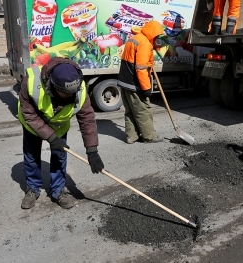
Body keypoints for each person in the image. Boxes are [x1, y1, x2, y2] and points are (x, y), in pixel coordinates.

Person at [18, 57, 104, 209]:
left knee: (59, 157)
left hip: (59, 126)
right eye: (66, 94)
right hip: (33, 125)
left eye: (73, 93)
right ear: (51, 85)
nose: (72, 97)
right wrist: (50, 137)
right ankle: (33, 188)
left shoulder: (79, 87)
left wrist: (92, 150)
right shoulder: (31, 81)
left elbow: (87, 119)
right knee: (31, 157)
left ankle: (58, 190)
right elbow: (29, 114)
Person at [117, 20, 165, 144]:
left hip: (124, 80)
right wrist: (146, 88)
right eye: (156, 36)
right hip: (135, 82)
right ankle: (149, 136)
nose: (157, 39)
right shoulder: (144, 43)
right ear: (152, 33)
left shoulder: (135, 38)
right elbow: (141, 68)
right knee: (143, 110)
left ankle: (131, 137)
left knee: (130, 111)